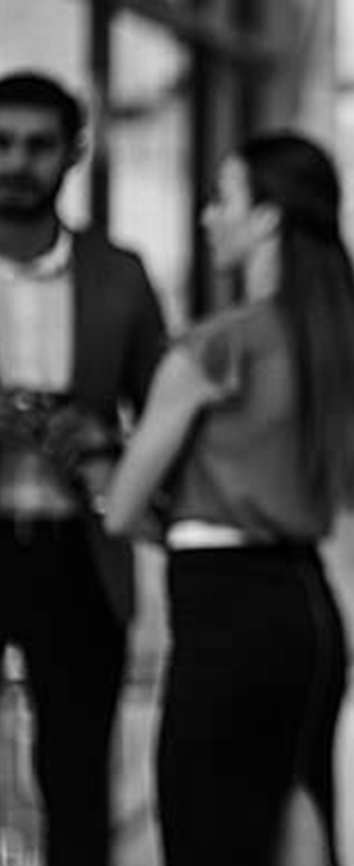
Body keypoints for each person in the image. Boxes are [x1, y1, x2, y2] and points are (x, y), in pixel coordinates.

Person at [102, 131, 354, 866]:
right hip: (307, 611)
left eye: (221, 198)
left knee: (204, 836)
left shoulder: (216, 346)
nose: (206, 216)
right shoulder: (346, 343)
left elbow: (121, 508)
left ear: (266, 217)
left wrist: (88, 453)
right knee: (299, 829)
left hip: (225, 613)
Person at [0, 69, 166, 866]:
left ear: (73, 153)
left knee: (74, 780)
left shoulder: (120, 275)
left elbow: (167, 423)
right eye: (2, 144)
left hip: (80, 553)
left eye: (37, 145)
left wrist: (95, 436)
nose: (16, 162)